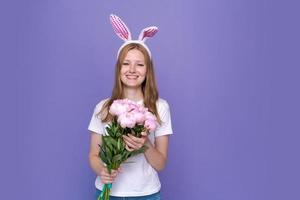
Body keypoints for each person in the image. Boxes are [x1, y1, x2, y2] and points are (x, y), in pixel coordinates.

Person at [88, 14, 173, 200]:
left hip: (146, 194)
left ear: (148, 71)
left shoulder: (160, 107)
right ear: (118, 69)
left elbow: (160, 164)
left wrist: (145, 144)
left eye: (139, 64)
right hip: (108, 192)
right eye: (126, 63)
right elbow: (93, 155)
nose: (132, 70)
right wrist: (103, 170)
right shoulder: (103, 108)